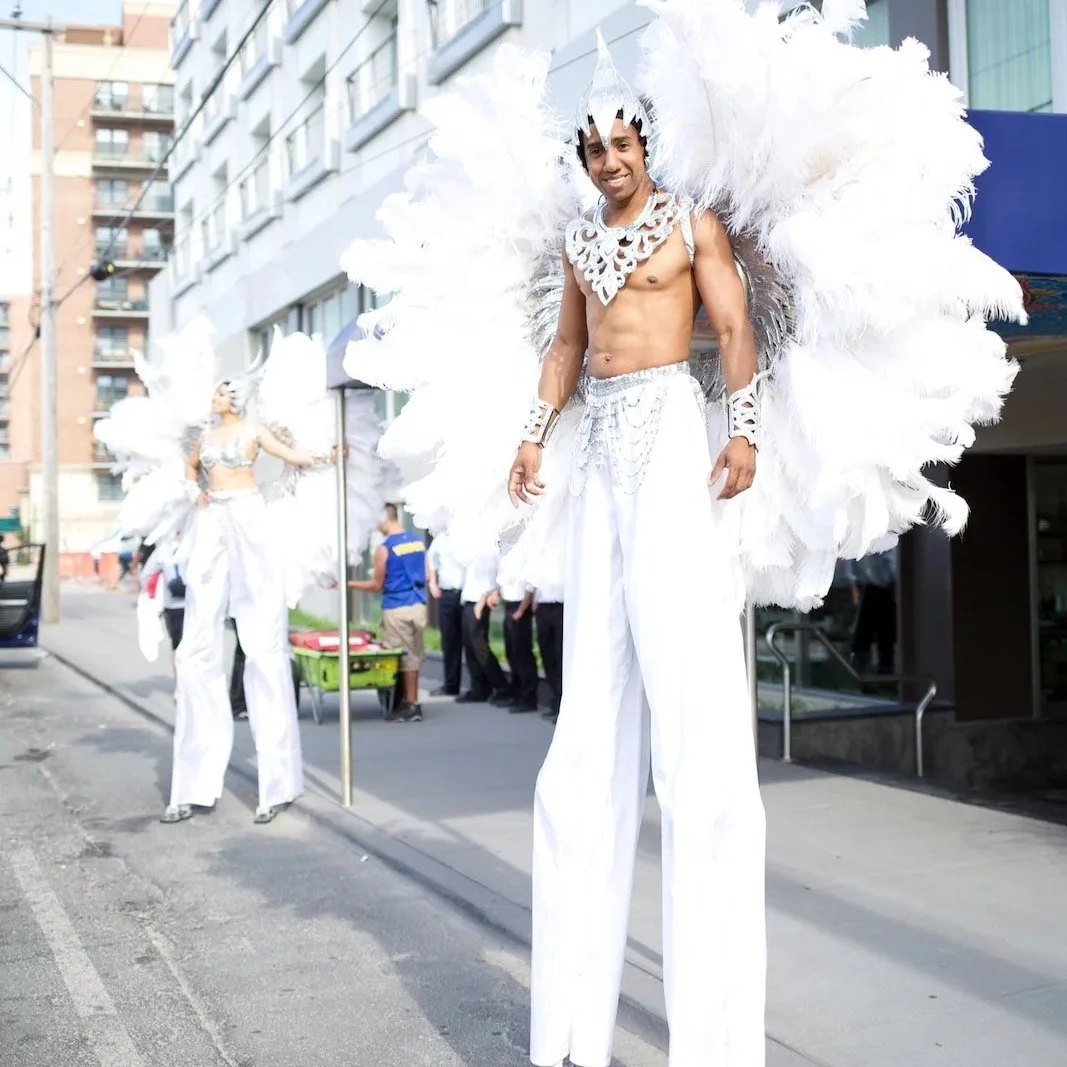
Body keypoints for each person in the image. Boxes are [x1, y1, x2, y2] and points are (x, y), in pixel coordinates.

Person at [507, 48, 766, 1067]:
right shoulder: (578, 240)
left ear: (645, 144)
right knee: (585, 721)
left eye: (620, 143)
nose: (608, 159)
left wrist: (742, 430)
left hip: (667, 430)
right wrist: (532, 429)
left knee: (693, 722)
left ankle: (713, 1042)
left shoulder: (691, 222)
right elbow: (567, 346)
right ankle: (570, 1028)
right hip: (596, 451)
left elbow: (734, 323)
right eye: (593, 148)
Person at [164, 380, 335, 826]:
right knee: (197, 649)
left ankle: (277, 785)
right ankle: (192, 784)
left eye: (221, 391)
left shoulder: (254, 430)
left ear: (235, 399)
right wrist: (192, 491)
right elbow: (189, 467)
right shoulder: (207, 437)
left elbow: (290, 456)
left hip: (248, 516)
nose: (214, 395)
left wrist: (327, 457)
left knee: (263, 643)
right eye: (215, 390)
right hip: (212, 517)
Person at [349, 504, 429, 722]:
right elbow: (428, 574)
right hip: (418, 605)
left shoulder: (384, 549)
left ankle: (409, 704)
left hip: (397, 607)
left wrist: (349, 584)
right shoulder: (417, 542)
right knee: (414, 654)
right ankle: (409, 701)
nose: (375, 526)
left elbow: (376, 584)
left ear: (385, 519)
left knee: (401, 657)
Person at [457, 550, 509, 705]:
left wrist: (481, 603)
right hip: (468, 600)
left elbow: (491, 578)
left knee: (480, 647)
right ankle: (479, 688)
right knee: (470, 647)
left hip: (478, 602)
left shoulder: (487, 548)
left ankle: (501, 687)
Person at [139, 532, 186, 699]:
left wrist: (153, 594)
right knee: (193, 645)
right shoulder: (193, 543)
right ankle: (191, 684)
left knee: (177, 645)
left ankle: (180, 687)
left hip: (171, 604)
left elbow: (145, 575)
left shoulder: (163, 549)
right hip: (193, 604)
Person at [843, 549, 898, 676]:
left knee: (883, 635)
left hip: (882, 587)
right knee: (878, 634)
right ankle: (870, 667)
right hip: (874, 586)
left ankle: (880, 668)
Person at [489, 580, 539, 713]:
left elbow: (531, 585)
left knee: (522, 652)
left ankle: (529, 696)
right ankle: (518, 692)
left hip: (520, 605)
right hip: (509, 604)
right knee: (511, 652)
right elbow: (501, 579)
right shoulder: (506, 559)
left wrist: (522, 609)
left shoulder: (525, 558)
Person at [426, 530, 465, 697]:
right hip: (447, 594)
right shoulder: (440, 539)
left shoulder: (468, 536)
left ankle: (480, 686)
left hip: (466, 593)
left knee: (471, 641)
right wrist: (432, 582)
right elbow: (430, 559)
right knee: (449, 641)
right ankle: (451, 685)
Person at [533, 582, 563, 725]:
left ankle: (563, 705)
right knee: (547, 655)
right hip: (542, 605)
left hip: (561, 605)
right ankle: (555, 700)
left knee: (561, 656)